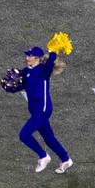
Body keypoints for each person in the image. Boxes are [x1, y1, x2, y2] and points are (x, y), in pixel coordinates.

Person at [18, 46, 72, 174]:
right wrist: (9, 87)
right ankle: (66, 159)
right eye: (27, 55)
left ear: (37, 58)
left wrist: (54, 49)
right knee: (48, 138)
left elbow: (51, 60)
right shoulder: (26, 71)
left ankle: (43, 156)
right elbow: (20, 86)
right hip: (34, 110)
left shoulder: (43, 70)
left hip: (43, 110)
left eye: (30, 56)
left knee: (24, 135)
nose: (27, 58)